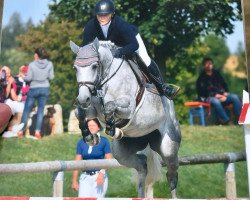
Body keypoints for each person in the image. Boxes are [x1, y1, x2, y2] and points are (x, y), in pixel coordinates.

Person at [83, 0, 180, 100]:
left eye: (105, 15)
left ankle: (162, 87)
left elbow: (134, 45)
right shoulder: (91, 26)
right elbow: (85, 48)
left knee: (145, 60)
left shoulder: (120, 24)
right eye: (100, 15)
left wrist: (119, 52)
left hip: (130, 42)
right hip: (109, 48)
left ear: (112, 14)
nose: (102, 18)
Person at [18, 47, 54, 139]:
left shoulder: (32, 64)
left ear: (37, 55)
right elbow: (51, 77)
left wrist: (23, 76)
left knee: (27, 110)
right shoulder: (49, 64)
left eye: (35, 54)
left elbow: (29, 78)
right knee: (41, 111)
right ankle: (37, 132)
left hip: (34, 89)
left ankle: (21, 131)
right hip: (44, 88)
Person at [72, 118, 112, 197]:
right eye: (89, 125)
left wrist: (101, 174)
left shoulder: (104, 141)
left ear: (98, 127)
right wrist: (74, 180)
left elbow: (109, 160)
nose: (91, 127)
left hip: (99, 176)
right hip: (85, 177)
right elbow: (77, 162)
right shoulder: (81, 142)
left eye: (93, 125)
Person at [196, 57, 242, 125]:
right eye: (207, 64)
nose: (209, 65)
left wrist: (226, 92)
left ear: (212, 65)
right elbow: (202, 92)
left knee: (235, 97)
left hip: (222, 95)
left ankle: (240, 118)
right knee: (216, 101)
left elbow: (224, 84)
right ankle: (226, 120)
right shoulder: (201, 78)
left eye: (210, 63)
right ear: (204, 65)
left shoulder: (217, 74)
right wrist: (215, 95)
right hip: (208, 97)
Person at [0, 66, 24, 138]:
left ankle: (11, 129)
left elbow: (7, 95)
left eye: (9, 74)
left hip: (4, 101)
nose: (8, 76)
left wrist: (9, 84)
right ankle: (10, 129)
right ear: (1, 72)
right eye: (7, 74)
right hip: (2, 103)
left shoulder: (5, 81)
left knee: (20, 106)